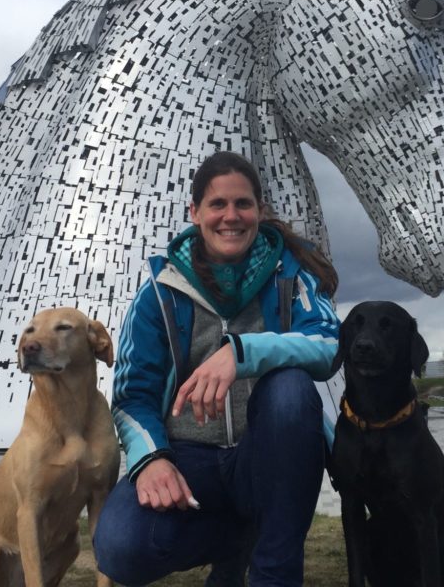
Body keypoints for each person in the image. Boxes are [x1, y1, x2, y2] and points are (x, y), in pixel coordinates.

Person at [94, 151, 340, 587]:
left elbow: (326, 343)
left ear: (261, 211)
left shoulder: (291, 274)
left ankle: (273, 576)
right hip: (188, 458)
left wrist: (240, 352)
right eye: (217, 204)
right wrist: (151, 459)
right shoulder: (159, 289)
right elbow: (133, 395)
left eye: (243, 204)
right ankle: (238, 540)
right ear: (195, 212)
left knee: (291, 390)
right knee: (120, 546)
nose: (232, 216)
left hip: (263, 456)